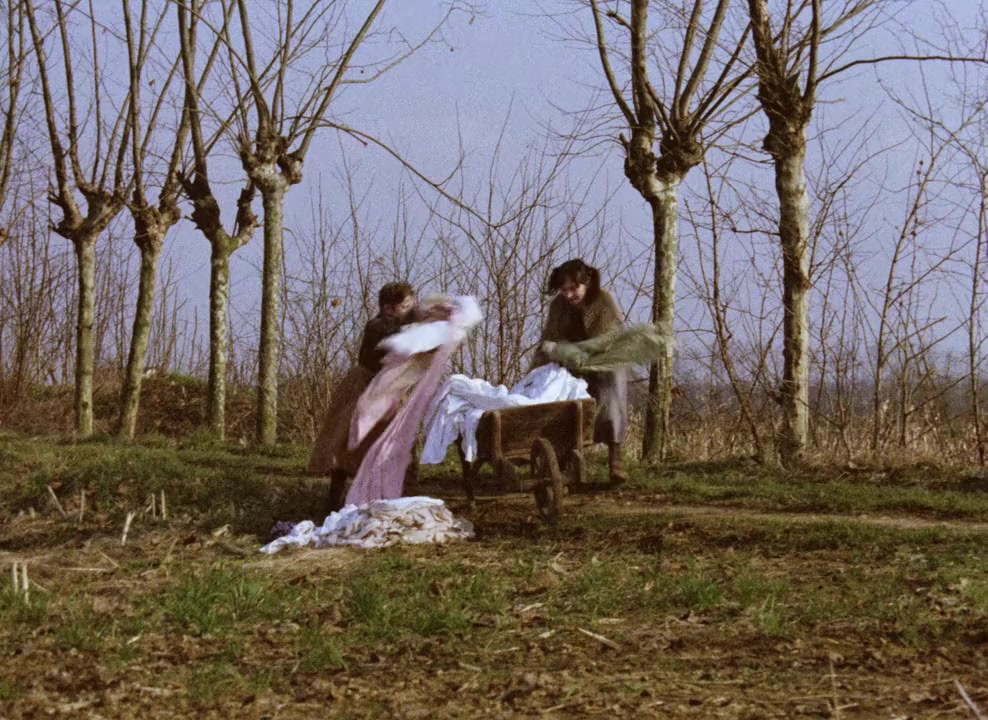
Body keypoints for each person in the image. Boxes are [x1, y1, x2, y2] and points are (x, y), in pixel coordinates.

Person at [308, 281, 446, 511]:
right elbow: (398, 338)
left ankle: (402, 493)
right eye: (403, 306)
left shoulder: (410, 321)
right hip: (364, 386)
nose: (408, 309)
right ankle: (334, 499)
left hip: (391, 389)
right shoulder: (377, 327)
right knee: (347, 440)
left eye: (409, 304)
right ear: (388, 308)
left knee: (400, 440)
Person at [534, 258, 629, 485]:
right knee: (555, 391)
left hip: (605, 360)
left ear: (586, 282)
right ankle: (563, 460)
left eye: (573, 288)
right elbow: (550, 336)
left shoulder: (603, 300)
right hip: (571, 362)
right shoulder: (558, 306)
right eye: (564, 290)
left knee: (612, 388)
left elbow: (608, 337)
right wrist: (553, 352)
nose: (569, 295)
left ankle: (615, 458)